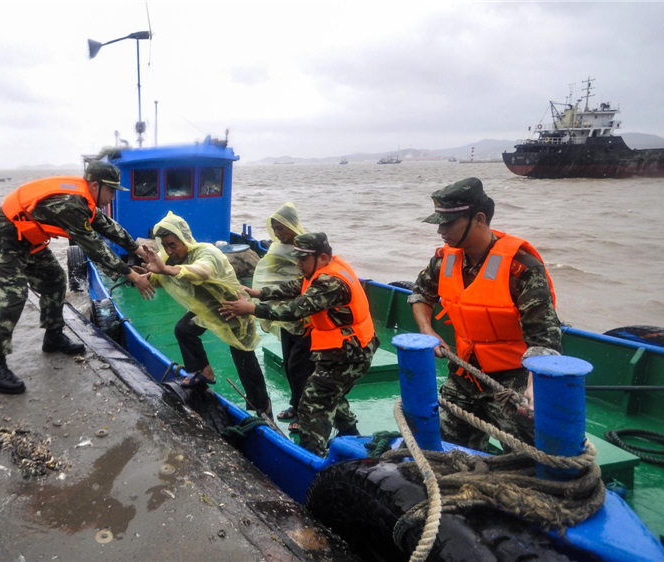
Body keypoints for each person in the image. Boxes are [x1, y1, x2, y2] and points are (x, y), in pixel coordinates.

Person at [409, 177, 561, 452]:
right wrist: (427, 331)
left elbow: (545, 340)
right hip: (464, 372)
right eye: (439, 223)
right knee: (438, 445)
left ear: (479, 219)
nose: (440, 231)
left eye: (448, 223)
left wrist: (534, 389)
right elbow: (420, 294)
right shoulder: (445, 259)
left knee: (528, 456)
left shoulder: (521, 268)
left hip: (510, 379)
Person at [0, 160, 155, 394]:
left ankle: (53, 337)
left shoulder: (87, 202)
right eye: (111, 190)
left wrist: (138, 250)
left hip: (27, 240)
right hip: (3, 237)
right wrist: (132, 275)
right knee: (14, 294)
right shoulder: (71, 204)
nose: (113, 197)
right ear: (95, 185)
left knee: (55, 279)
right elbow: (94, 246)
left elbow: (108, 227)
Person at [221, 233, 378, 458]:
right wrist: (259, 293)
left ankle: (311, 457)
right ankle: (351, 435)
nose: (298, 265)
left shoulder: (330, 282)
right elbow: (298, 286)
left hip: (349, 353)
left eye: (303, 260)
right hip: (346, 348)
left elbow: (295, 310)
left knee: (312, 404)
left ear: (322, 257)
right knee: (331, 394)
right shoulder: (327, 268)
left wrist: (252, 308)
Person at [139, 212, 272, 416]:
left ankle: (262, 408)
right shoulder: (170, 258)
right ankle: (203, 371)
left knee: (244, 359)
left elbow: (203, 272)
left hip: (234, 309)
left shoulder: (208, 253)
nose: (169, 250)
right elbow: (164, 276)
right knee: (184, 330)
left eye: (173, 244)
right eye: (165, 245)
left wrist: (165, 269)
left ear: (184, 239)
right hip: (209, 310)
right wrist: (149, 276)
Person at [250, 203, 314, 433]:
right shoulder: (279, 246)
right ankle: (295, 405)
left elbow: (307, 282)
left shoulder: (307, 247)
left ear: (291, 226)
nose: (277, 233)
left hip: (305, 317)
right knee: (289, 364)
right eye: (274, 229)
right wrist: (259, 293)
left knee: (300, 367)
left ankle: (303, 414)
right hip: (287, 316)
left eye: (281, 228)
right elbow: (272, 273)